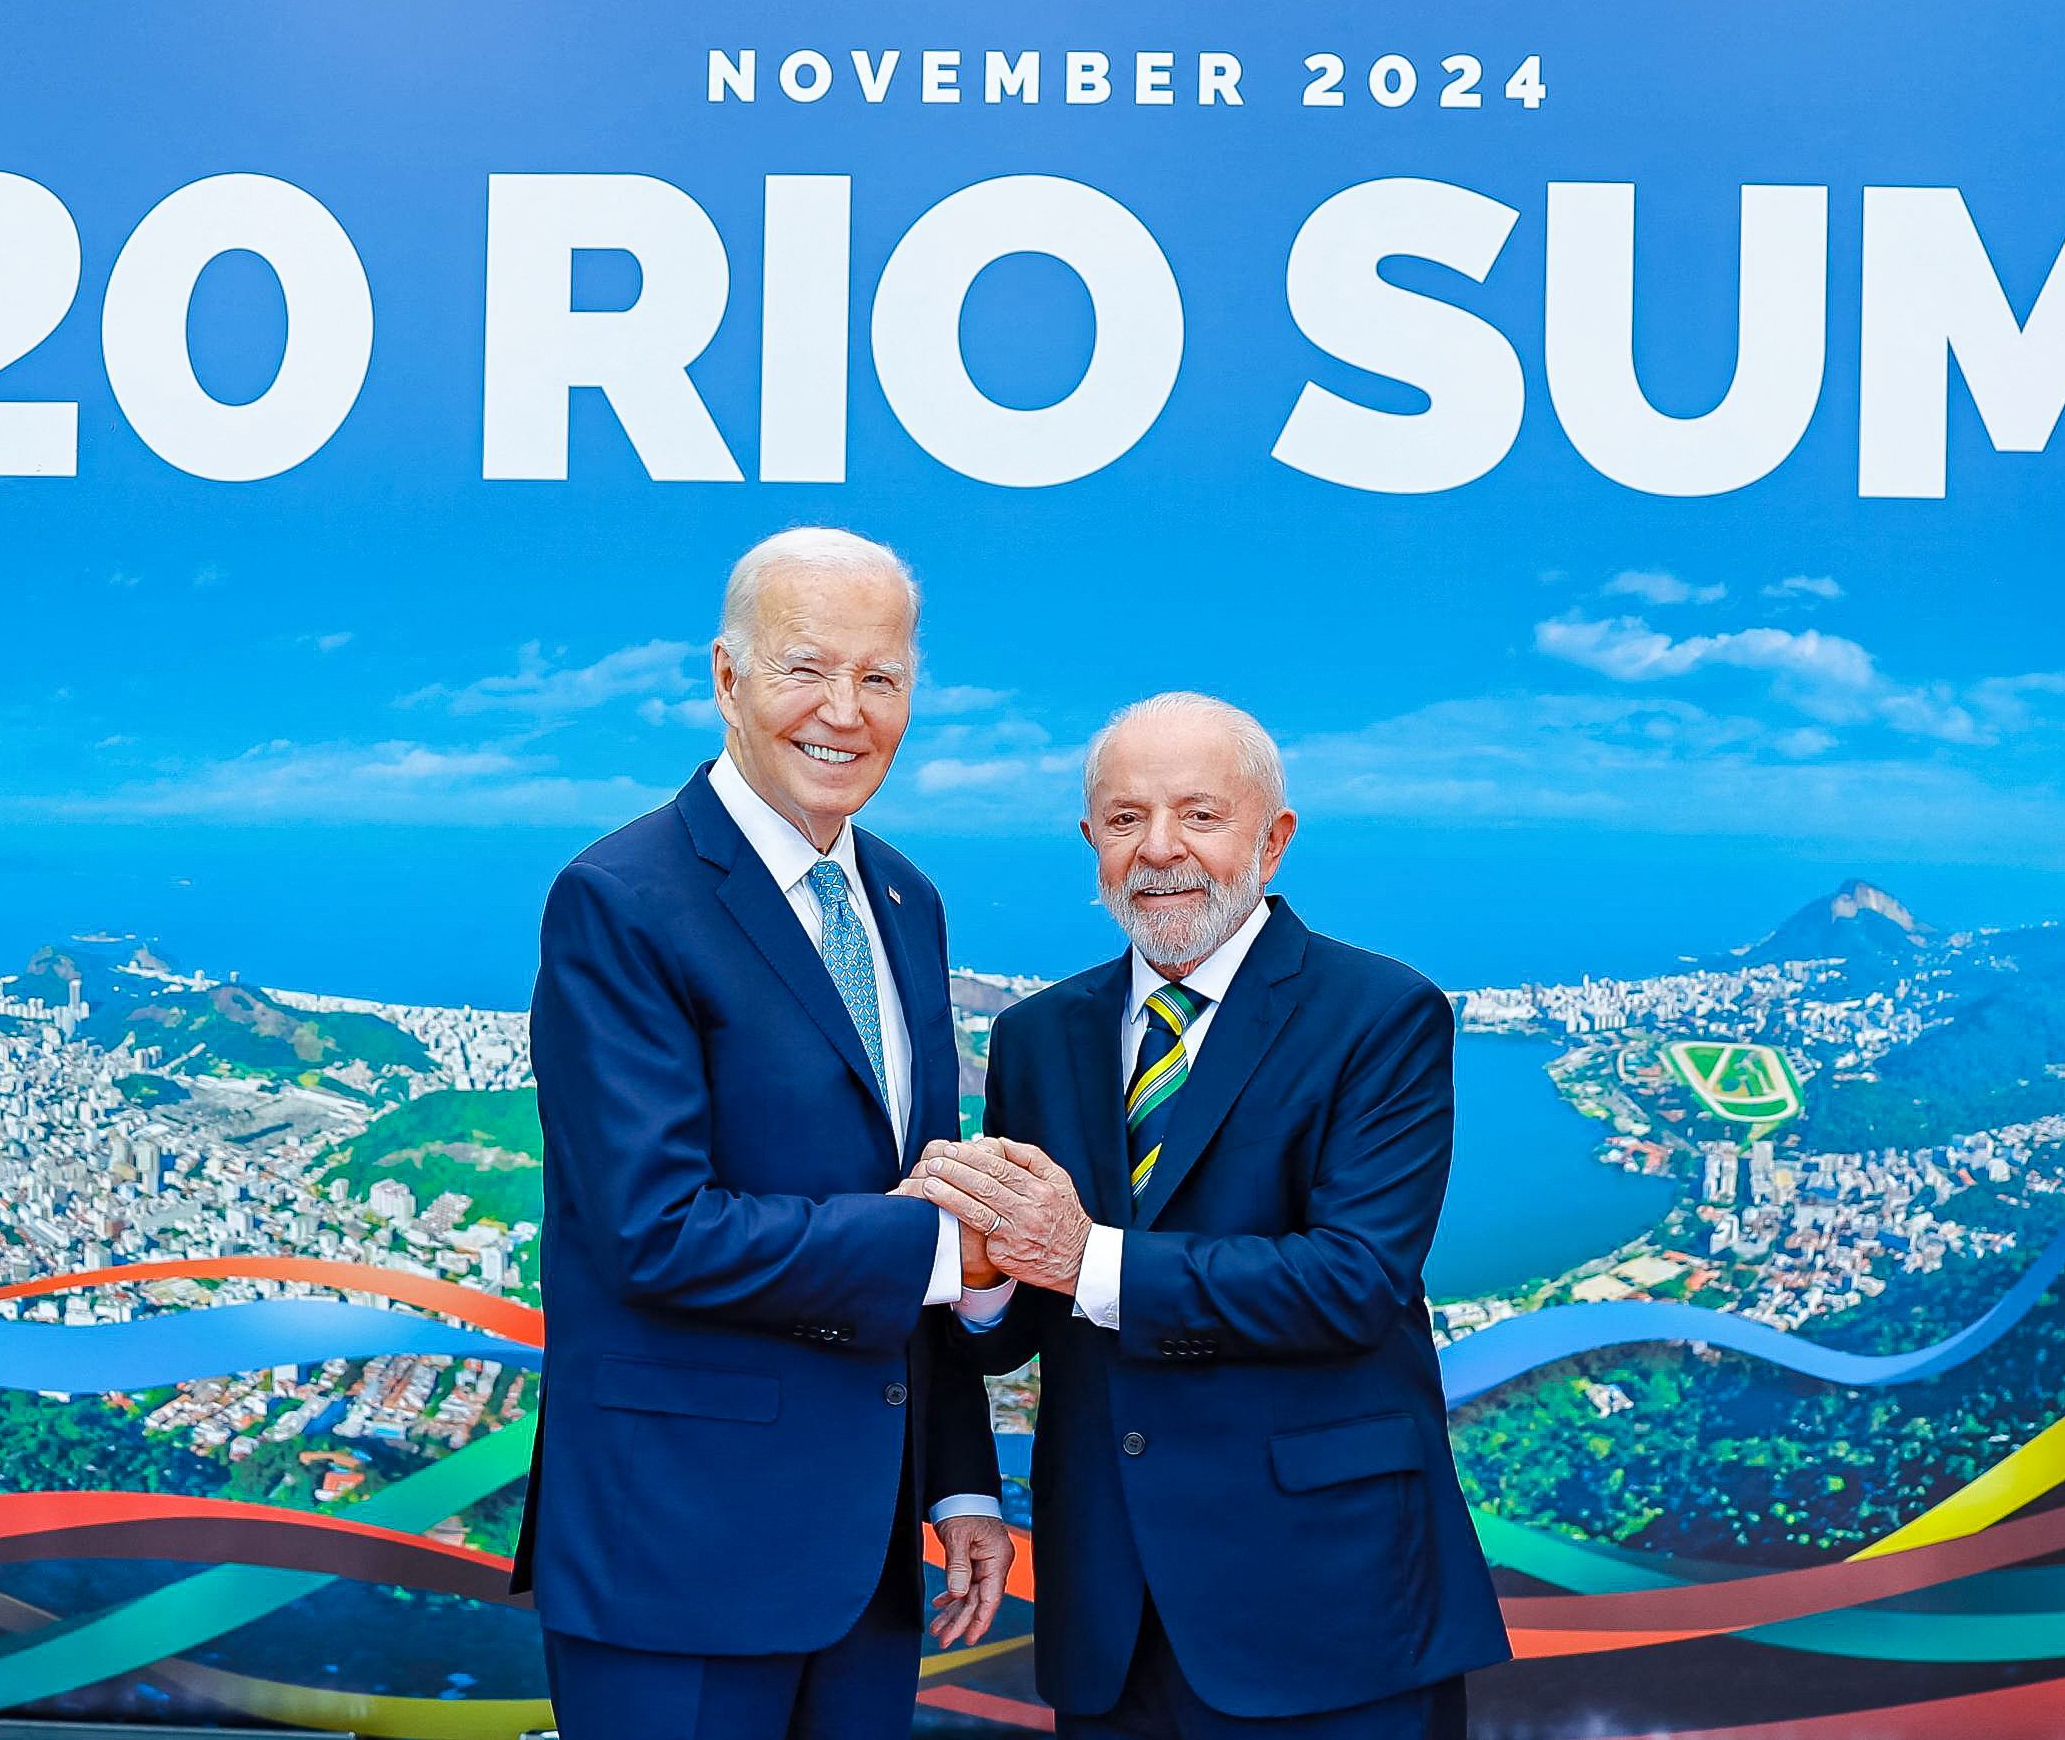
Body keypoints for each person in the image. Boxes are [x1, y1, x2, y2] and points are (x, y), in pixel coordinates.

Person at [915, 693, 1507, 1739]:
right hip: (1112, 1613)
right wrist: (985, 1271)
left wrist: (1083, 1255)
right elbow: (1013, 1333)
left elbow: (1352, 1285)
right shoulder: (1039, 1036)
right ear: (1090, 840)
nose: (1161, 850)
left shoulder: (1382, 1015)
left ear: (1272, 840)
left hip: (1326, 1606)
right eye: (1127, 817)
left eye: (1199, 813)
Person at [515, 526, 1014, 1740]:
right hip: (677, 1553)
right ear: (727, 679)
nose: (845, 712)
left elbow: (926, 1183)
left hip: (867, 1566)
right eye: (805, 669)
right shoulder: (620, 900)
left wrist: (958, 1477)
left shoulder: (904, 896)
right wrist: (955, 1257)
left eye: (881, 678)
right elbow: (655, 1230)